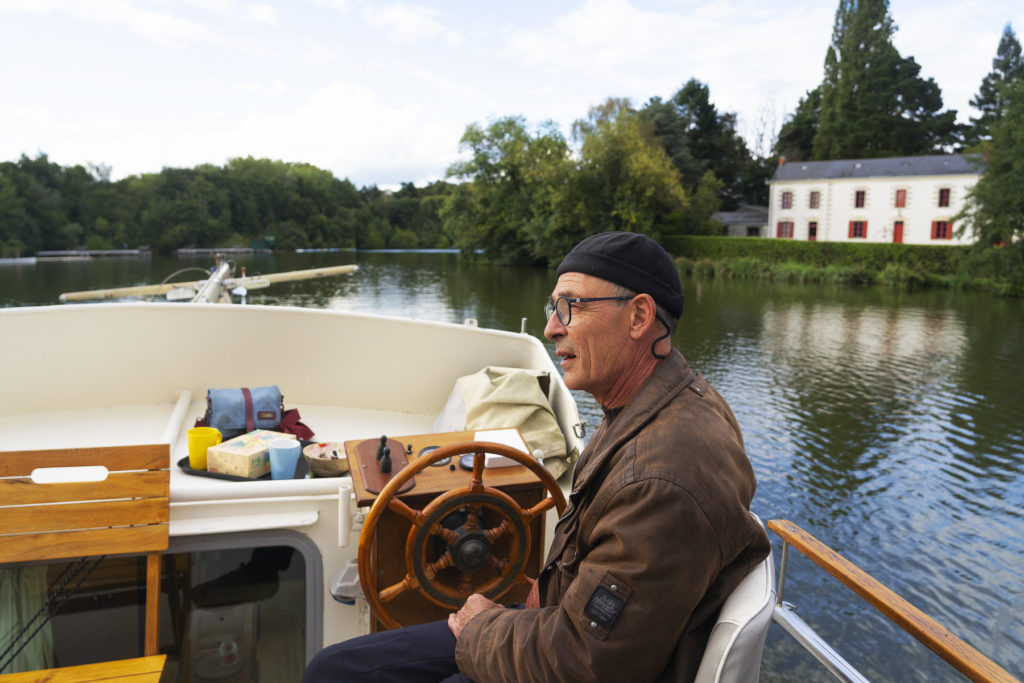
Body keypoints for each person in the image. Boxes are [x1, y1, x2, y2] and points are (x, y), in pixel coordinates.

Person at [303, 231, 770, 682]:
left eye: (571, 306)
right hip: (557, 626)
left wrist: (481, 627)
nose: (551, 328)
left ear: (638, 316)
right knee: (333, 669)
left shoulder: (662, 478)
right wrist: (526, 604)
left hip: (572, 657)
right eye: (553, 308)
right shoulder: (659, 402)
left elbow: (587, 661)